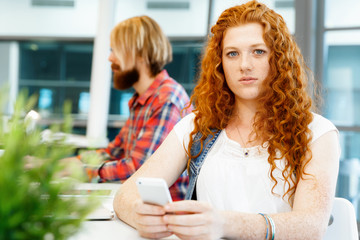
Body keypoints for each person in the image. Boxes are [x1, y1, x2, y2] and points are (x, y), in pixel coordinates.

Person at [113, 1, 340, 240]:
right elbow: (124, 195)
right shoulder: (196, 128)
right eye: (232, 54)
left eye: (258, 51)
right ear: (220, 65)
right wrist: (140, 215)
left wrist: (224, 223)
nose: (244, 65)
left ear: (279, 59)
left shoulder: (318, 133)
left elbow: (311, 225)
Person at [72, 15, 192, 201]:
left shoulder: (167, 98)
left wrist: (81, 171)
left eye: (115, 50)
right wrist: (58, 164)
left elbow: (139, 169)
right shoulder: (142, 100)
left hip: (164, 215)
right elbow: (112, 152)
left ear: (140, 55)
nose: (110, 57)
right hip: (140, 203)